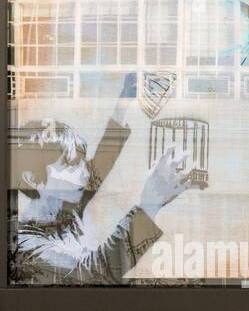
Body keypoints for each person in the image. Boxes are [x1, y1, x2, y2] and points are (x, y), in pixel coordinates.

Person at [10, 75, 199, 285]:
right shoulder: (29, 248)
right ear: (33, 179)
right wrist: (148, 206)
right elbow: (98, 274)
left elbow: (101, 163)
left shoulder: (61, 204)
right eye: (70, 164)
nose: (84, 171)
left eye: (82, 161)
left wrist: (122, 104)